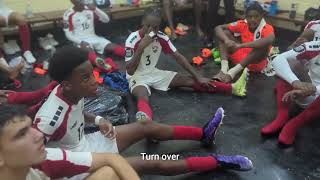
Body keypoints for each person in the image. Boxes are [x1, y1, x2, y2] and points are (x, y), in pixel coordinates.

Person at [29, 45, 253, 178]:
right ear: (67, 84)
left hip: (88, 144)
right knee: (149, 161)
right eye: (86, 78)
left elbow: (75, 112)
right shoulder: (49, 118)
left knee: (146, 126)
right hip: (78, 165)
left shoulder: (66, 91)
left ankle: (203, 134)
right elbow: (33, 160)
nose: (95, 81)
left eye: (92, 74)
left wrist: (98, 119)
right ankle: (219, 162)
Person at [126, 7, 248, 123]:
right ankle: (146, 122)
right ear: (142, 22)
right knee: (142, 94)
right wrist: (141, 47)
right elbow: (130, 70)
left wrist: (198, 76)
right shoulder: (132, 39)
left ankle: (233, 88)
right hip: (137, 76)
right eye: (148, 26)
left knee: (190, 81)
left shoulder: (161, 37)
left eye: (155, 27)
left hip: (153, 72)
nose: (151, 31)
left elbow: (179, 57)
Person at [0, 104, 140, 180]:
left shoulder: (43, 157)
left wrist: (99, 120)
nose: (38, 135)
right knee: (148, 161)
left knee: (109, 173)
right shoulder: (52, 116)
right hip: (85, 150)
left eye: (31, 127)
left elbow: (112, 158)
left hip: (87, 149)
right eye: (22, 134)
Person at [261, 40, 320, 146]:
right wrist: (296, 82)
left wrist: (314, 89)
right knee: (289, 64)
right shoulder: (315, 46)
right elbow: (278, 59)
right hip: (309, 92)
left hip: (315, 92)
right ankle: (282, 116)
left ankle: (293, 125)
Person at [213, 2, 275, 83]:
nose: (253, 19)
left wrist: (240, 45)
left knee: (263, 47)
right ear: (246, 17)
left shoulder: (267, 28)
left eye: (256, 16)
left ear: (261, 16)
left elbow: (269, 40)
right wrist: (226, 40)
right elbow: (218, 28)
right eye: (250, 17)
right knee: (225, 34)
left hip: (255, 64)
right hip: (241, 58)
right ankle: (223, 70)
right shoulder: (242, 24)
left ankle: (231, 74)